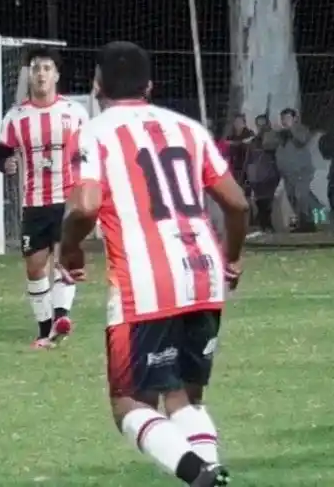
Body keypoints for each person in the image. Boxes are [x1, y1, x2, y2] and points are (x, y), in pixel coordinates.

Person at [59, 41, 248, 487]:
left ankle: (198, 476)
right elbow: (238, 205)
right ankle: (211, 473)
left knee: (128, 402)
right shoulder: (189, 128)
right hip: (203, 273)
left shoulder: (94, 131)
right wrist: (233, 257)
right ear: (149, 85)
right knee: (184, 397)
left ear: (96, 85)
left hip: (144, 282)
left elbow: (85, 206)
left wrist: (69, 250)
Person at [0, 47, 90, 349]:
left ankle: (59, 319)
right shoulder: (16, 117)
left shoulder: (74, 112)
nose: (41, 74)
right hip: (34, 203)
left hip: (68, 199)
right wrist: (5, 164)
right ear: (30, 76)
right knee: (35, 268)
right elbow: (0, 156)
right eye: (36, 68)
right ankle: (45, 328)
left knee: (64, 260)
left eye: (47, 68)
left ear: (56, 75)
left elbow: (90, 152)